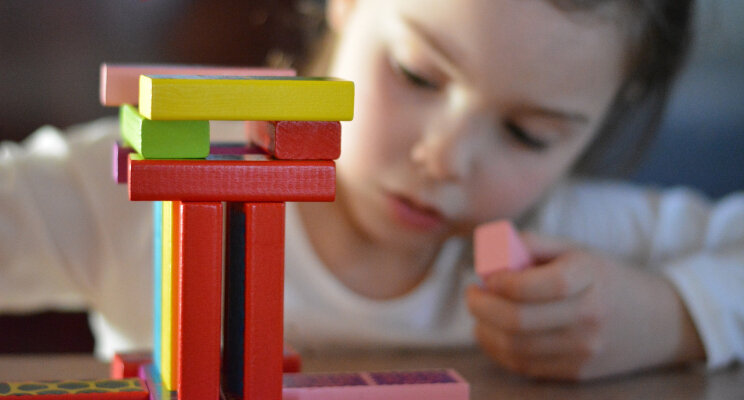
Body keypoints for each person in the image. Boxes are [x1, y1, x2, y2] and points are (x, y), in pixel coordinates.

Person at [1, 0, 742, 381]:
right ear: (345, 4)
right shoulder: (145, 188)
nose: (445, 159)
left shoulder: (569, 237)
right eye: (418, 75)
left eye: (529, 133)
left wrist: (674, 315)